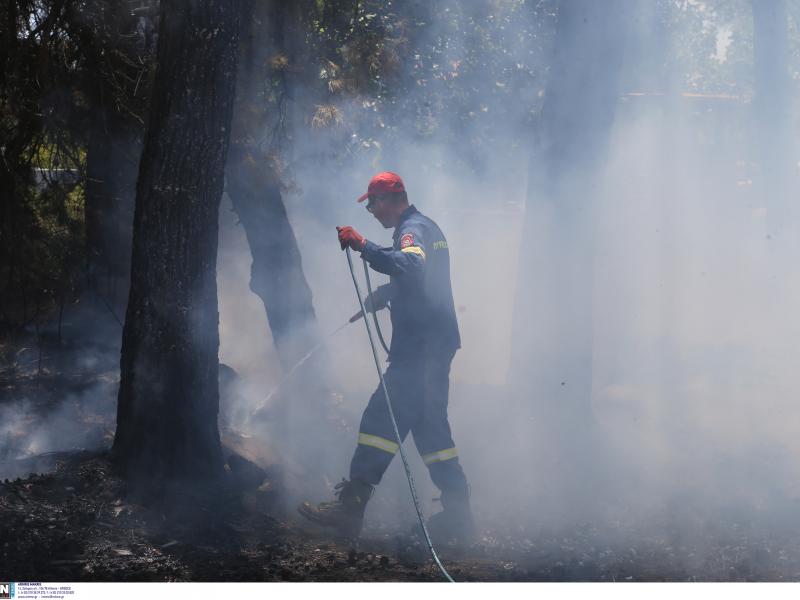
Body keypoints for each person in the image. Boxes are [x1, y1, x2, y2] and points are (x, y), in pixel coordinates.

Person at [298, 171, 474, 544]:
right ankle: (459, 517)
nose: (373, 212)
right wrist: (387, 294)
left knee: (380, 419)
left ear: (392, 198)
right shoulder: (426, 228)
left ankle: (350, 510)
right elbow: (421, 280)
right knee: (431, 431)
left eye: (373, 204)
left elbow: (411, 265)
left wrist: (363, 245)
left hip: (420, 350)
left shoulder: (412, 230)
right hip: (433, 346)